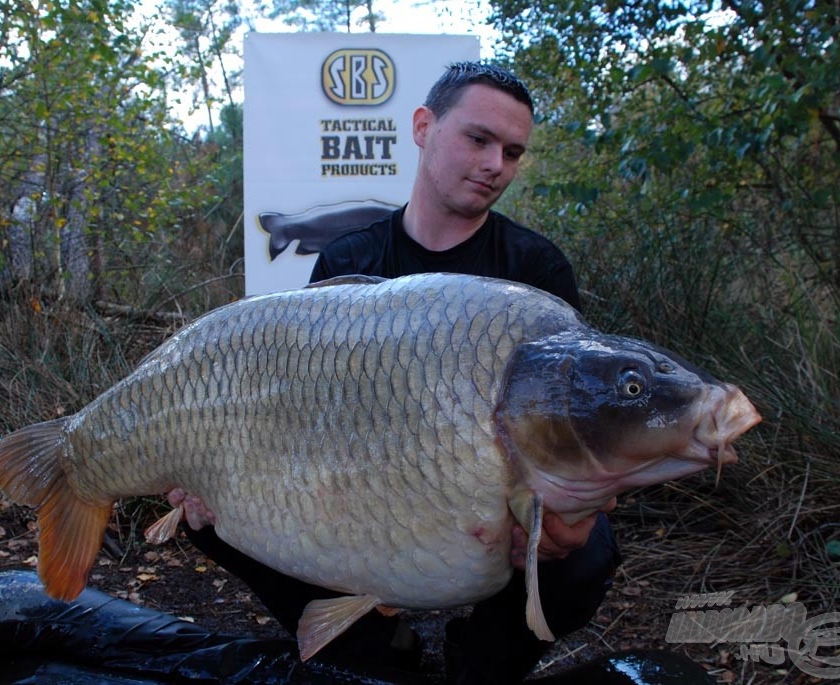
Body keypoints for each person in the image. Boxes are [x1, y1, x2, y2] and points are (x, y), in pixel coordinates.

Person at [174, 62, 621, 684]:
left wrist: (553, 516)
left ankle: (481, 660)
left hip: (484, 492)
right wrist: (229, 479)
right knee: (213, 516)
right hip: (356, 481)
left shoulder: (535, 270)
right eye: (478, 139)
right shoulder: (348, 258)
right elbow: (309, 412)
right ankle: (372, 647)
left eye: (513, 152)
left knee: (587, 553)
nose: (496, 163)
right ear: (422, 127)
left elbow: (570, 424)